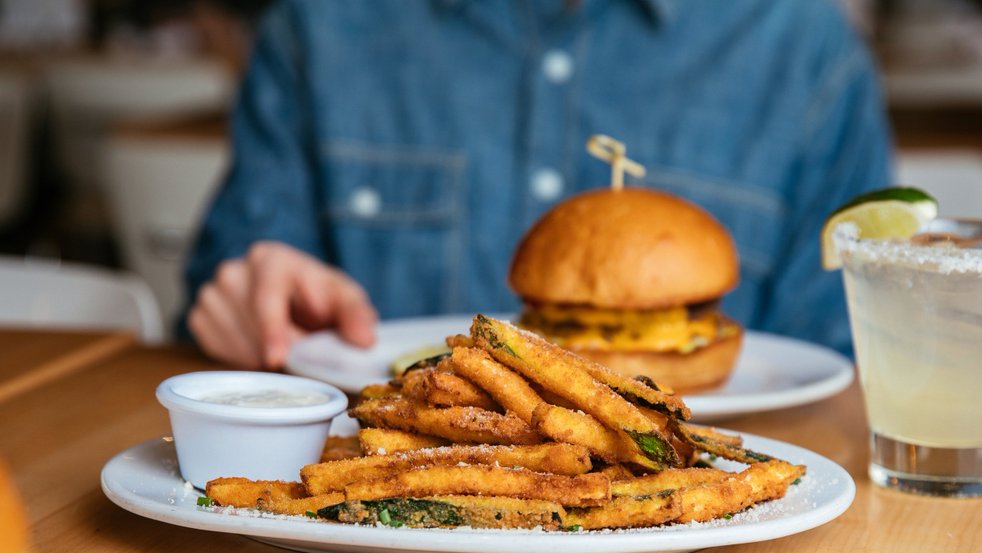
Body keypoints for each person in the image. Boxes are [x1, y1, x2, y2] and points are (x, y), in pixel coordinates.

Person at [184, 0, 894, 369]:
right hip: (365, 548)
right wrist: (250, 299)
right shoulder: (317, 28)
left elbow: (838, 362)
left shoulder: (807, 55)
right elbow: (232, 286)